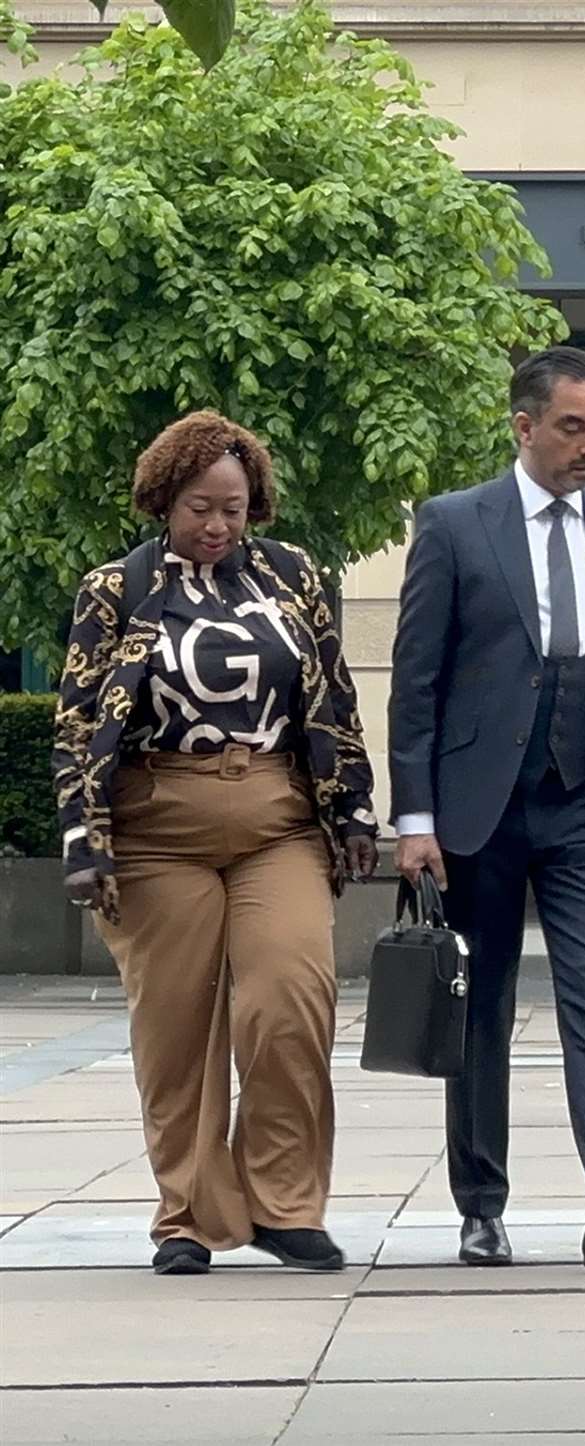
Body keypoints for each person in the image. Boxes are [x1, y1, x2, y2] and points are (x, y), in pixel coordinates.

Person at [53, 411, 379, 1276]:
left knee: (288, 1000)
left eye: (234, 509)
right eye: (202, 507)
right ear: (165, 499)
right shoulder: (114, 589)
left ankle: (286, 1206)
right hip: (158, 827)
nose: (218, 526)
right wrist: (83, 840)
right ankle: (188, 1219)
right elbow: (78, 721)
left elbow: (333, 699)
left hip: (276, 817)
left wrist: (353, 809)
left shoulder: (292, 577)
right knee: (177, 1030)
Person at [388, 346, 585, 1270]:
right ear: (524, 427)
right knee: (482, 1008)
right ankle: (481, 1205)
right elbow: (417, 683)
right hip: (478, 813)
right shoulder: (454, 524)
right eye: (572, 426)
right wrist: (416, 822)